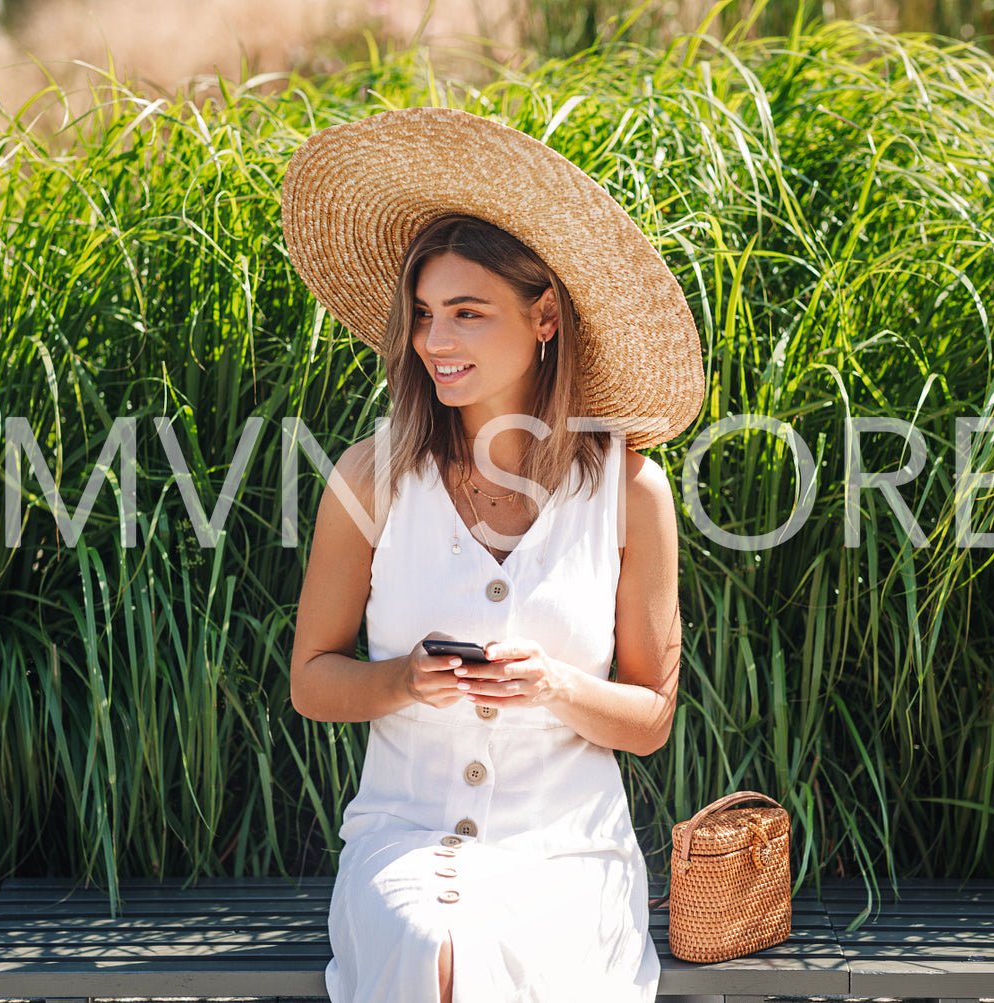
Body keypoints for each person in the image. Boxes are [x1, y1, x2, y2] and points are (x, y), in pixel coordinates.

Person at [279, 107, 704, 1003]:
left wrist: (553, 685)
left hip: (564, 848)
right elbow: (312, 679)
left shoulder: (631, 491)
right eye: (426, 314)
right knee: (433, 941)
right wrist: (401, 681)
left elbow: (649, 717)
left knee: (486, 957)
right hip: (406, 835)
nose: (435, 341)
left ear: (543, 316)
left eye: (467, 314)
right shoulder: (372, 476)